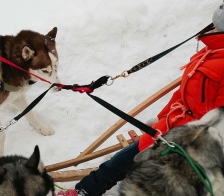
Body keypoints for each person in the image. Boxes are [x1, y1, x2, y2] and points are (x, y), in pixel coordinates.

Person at [73, 3, 224, 196]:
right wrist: (160, 120)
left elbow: (218, 123)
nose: (211, 28)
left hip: (186, 143)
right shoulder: (209, 52)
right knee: (122, 160)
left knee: (119, 163)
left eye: (216, 27)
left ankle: (84, 191)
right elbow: (182, 94)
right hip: (169, 127)